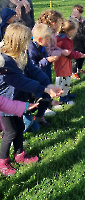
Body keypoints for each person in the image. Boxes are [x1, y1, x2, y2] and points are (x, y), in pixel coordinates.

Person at [0, 23, 63, 176]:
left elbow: (33, 71)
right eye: (26, 40)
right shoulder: (5, 62)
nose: (29, 43)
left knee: (20, 128)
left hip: (18, 101)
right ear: (19, 42)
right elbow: (22, 81)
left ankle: (20, 154)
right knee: (10, 132)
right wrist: (44, 89)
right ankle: (3, 161)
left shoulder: (21, 54)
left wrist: (47, 83)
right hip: (6, 104)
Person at [27, 23, 59, 125]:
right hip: (34, 81)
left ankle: (40, 116)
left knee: (46, 97)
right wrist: (46, 60)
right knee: (36, 100)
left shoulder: (41, 46)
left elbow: (44, 56)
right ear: (40, 39)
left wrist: (48, 59)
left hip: (43, 76)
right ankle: (27, 120)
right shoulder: (30, 49)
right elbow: (32, 67)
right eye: (48, 39)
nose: (49, 41)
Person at [54, 19, 85, 104]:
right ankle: (63, 98)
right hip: (62, 64)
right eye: (75, 30)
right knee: (63, 80)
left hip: (62, 63)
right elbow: (69, 53)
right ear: (71, 31)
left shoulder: (60, 37)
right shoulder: (65, 40)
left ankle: (67, 93)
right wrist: (79, 55)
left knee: (66, 79)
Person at [70, 5, 85, 79]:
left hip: (82, 42)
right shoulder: (71, 21)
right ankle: (73, 72)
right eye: (73, 11)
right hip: (75, 42)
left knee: (82, 56)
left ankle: (79, 69)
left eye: (76, 12)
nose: (74, 13)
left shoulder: (83, 20)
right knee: (76, 57)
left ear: (81, 13)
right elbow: (76, 34)